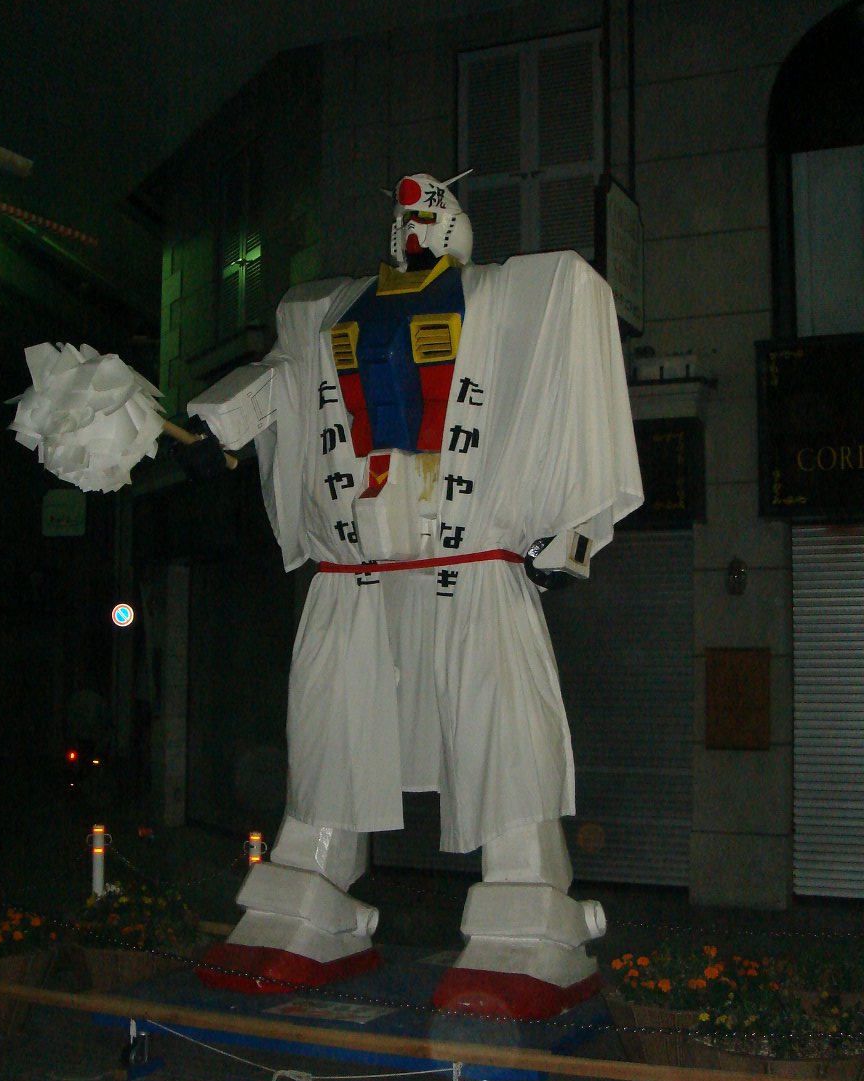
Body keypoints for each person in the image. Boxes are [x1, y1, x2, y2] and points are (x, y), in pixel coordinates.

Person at [188, 172, 643, 1017]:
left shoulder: (506, 296)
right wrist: (210, 421)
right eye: (404, 217)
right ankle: (305, 897)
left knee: (499, 725)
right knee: (328, 729)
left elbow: (570, 327)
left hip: (471, 558)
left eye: (432, 215)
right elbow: (284, 376)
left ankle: (530, 917)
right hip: (357, 568)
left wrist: (570, 530)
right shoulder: (327, 310)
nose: (415, 229)